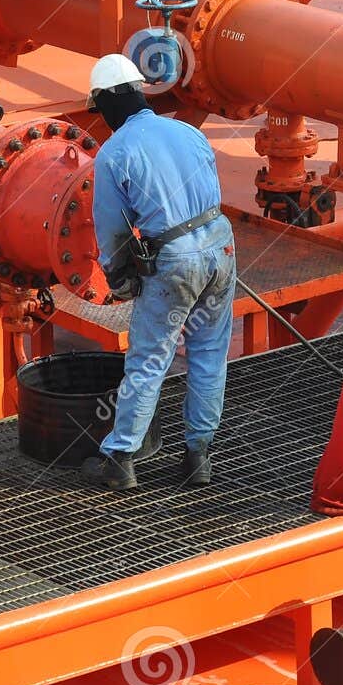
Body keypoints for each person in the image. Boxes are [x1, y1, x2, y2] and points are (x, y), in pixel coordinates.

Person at [81, 53, 236, 492]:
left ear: (108, 102)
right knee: (208, 351)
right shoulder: (186, 131)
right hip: (220, 245)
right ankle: (198, 458)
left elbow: (111, 230)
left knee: (149, 358)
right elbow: (210, 194)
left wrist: (119, 276)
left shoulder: (114, 154)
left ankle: (120, 457)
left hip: (175, 262)